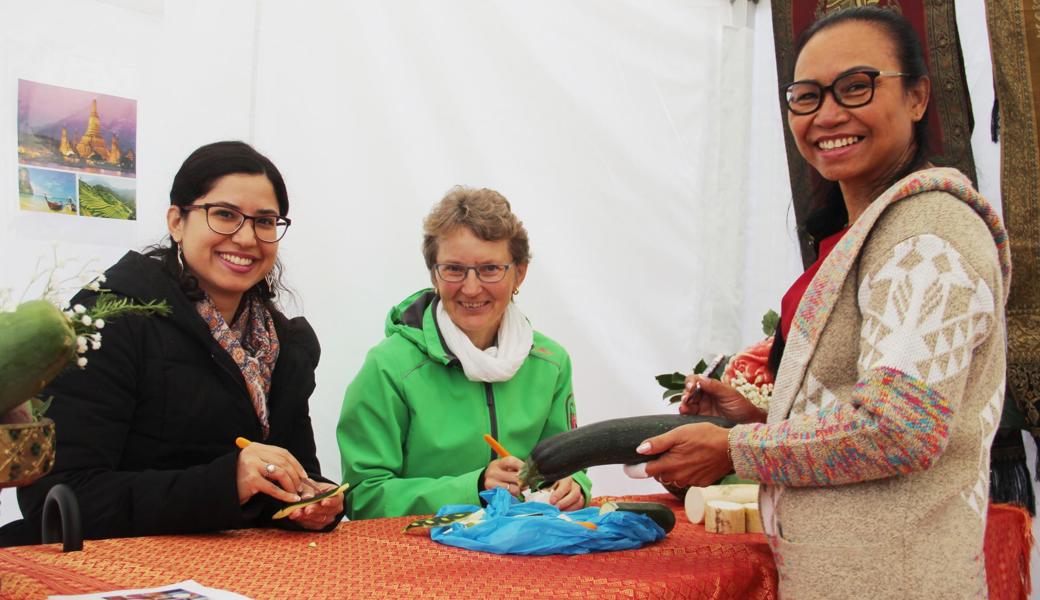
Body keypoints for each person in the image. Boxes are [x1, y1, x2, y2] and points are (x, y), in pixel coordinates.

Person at [630, 8, 1010, 598]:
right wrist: (760, 418)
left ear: (917, 97)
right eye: (805, 97)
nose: (828, 114)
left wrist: (736, 448)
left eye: (856, 87)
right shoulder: (880, 233)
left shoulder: (925, 239)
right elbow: (880, 410)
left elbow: (898, 430)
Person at [1, 141, 343, 545]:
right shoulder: (111, 320)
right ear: (176, 221)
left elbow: (293, 474)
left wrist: (310, 501)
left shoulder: (284, 344)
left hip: (241, 570)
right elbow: (59, 498)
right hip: (109, 571)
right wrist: (227, 482)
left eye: (265, 221)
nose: (247, 238)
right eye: (224, 215)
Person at [338, 186, 591, 519]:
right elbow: (362, 497)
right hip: (419, 562)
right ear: (434, 274)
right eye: (454, 269)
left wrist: (574, 485)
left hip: (528, 557)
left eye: (490, 269)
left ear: (520, 273)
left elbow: (568, 466)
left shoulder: (551, 363)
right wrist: (474, 488)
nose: (471, 288)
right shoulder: (388, 367)